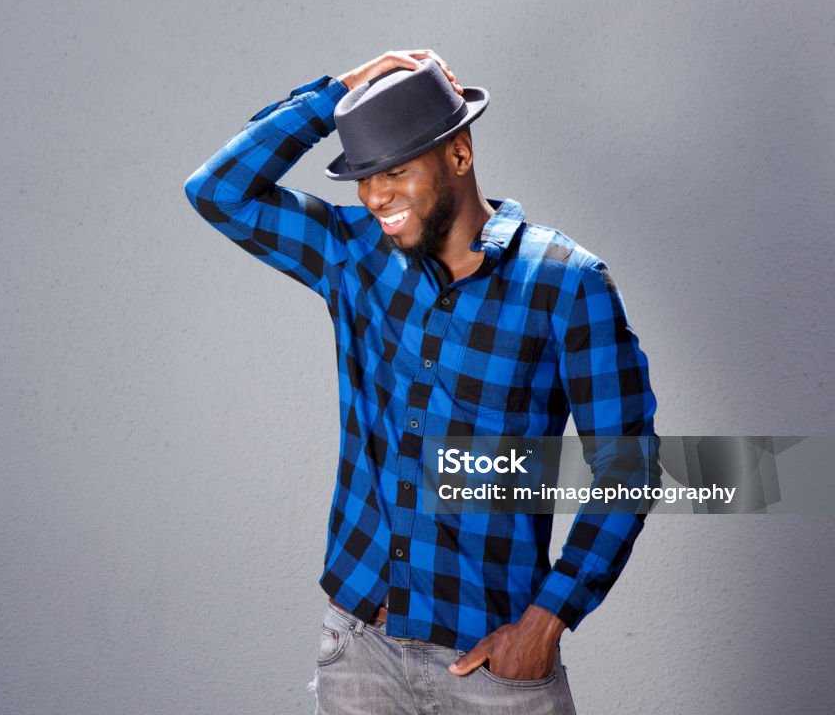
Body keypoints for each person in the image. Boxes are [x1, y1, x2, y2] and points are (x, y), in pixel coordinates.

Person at [184, 49, 658, 715]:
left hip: (494, 665)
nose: (375, 195)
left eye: (396, 171)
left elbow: (628, 465)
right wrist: (335, 97)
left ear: (459, 156)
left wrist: (548, 620)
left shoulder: (564, 282)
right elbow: (217, 191)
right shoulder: (353, 252)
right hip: (359, 649)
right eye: (364, 177)